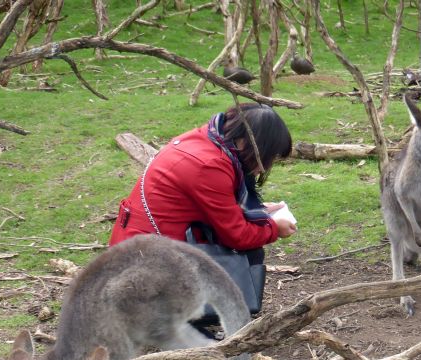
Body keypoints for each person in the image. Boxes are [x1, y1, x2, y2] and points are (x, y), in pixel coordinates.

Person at [109, 103, 297, 314]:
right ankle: (215, 318)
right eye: (268, 156)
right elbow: (238, 236)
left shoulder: (206, 138)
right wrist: (273, 228)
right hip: (146, 266)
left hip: (136, 250)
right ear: (250, 144)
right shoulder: (209, 165)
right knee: (250, 250)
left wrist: (259, 212)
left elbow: (211, 205)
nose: (266, 165)